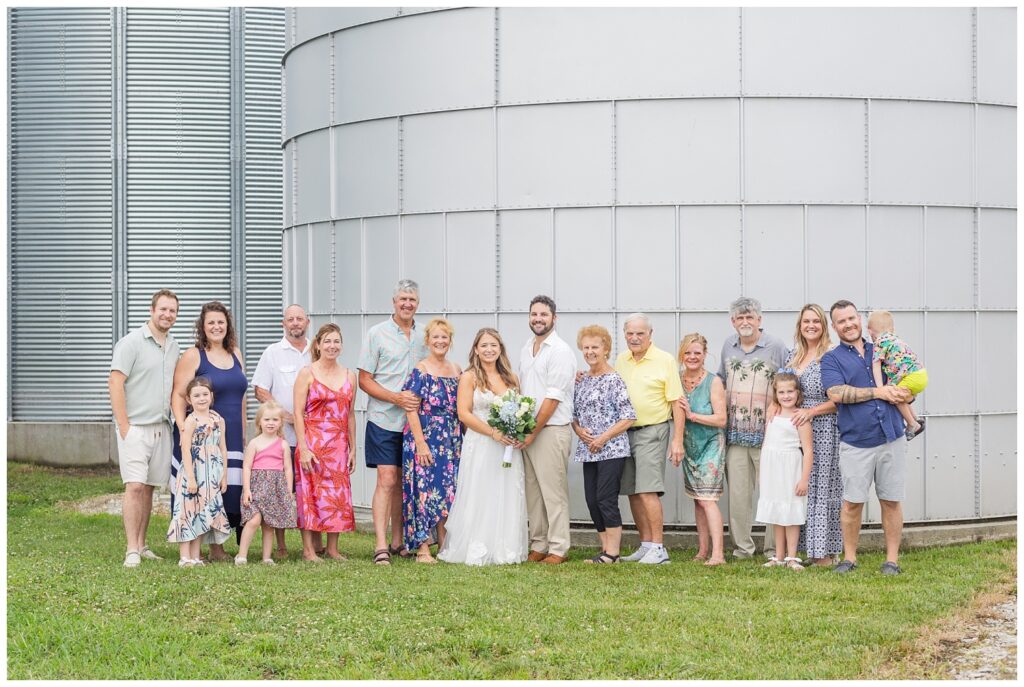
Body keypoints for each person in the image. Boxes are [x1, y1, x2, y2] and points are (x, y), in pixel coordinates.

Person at [821, 300, 912, 576]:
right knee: (852, 503)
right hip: (856, 441)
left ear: (859, 319)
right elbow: (835, 393)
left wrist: (906, 393)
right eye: (841, 321)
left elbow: (904, 376)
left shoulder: (883, 346)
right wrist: (878, 393)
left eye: (852, 318)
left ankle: (892, 561)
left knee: (891, 500)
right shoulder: (832, 358)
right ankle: (849, 559)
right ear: (834, 327)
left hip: (891, 436)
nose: (848, 324)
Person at [438, 328, 528, 566]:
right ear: (476, 350)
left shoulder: (512, 378)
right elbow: (464, 414)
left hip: (507, 446)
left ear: (500, 349)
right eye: (484, 346)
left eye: (494, 345)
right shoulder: (469, 377)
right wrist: (492, 433)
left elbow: (519, 410)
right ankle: (477, 545)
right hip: (481, 443)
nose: (489, 350)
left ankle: (505, 547)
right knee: (481, 491)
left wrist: (518, 432)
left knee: (505, 491)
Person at [108, 289, 181, 567]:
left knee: (150, 488)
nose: (167, 315)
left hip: (162, 427)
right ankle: (131, 550)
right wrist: (124, 425)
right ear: (152, 310)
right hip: (135, 427)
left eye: (172, 311)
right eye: (163, 309)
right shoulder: (131, 342)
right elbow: (115, 382)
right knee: (135, 486)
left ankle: (142, 543)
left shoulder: (173, 346)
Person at [170, 301, 248, 561]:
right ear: (203, 327)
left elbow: (242, 396)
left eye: (221, 322)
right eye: (211, 322)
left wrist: (244, 432)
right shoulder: (194, 355)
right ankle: (195, 549)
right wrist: (183, 428)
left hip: (230, 434)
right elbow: (179, 395)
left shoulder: (235, 352)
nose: (217, 327)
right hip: (200, 438)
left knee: (226, 491)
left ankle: (218, 547)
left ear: (228, 326)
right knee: (200, 490)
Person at [358, 279, 428, 564]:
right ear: (394, 302)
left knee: (403, 482)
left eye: (412, 299)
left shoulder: (426, 335)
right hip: (384, 419)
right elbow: (364, 379)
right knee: (386, 478)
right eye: (402, 299)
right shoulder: (377, 334)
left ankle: (399, 541)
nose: (407, 304)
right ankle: (380, 543)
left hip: (415, 424)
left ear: (418, 303)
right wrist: (394, 398)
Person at [717, 296, 788, 560]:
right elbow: (721, 382)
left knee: (771, 492)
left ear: (760, 320)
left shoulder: (775, 346)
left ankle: (773, 548)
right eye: (740, 318)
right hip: (735, 434)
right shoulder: (728, 345)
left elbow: (788, 380)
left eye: (750, 317)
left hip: (768, 434)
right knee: (738, 496)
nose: (745, 322)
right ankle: (743, 548)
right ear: (733, 321)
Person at [614, 313, 685, 565]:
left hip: (652, 431)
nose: (634, 338)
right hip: (626, 433)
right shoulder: (621, 360)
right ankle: (645, 545)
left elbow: (677, 402)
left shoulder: (665, 360)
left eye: (640, 333)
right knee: (633, 491)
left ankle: (658, 547)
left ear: (650, 334)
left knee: (648, 490)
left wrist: (677, 440)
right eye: (630, 333)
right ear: (624, 334)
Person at [518, 296, 577, 565]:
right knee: (533, 490)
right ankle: (539, 543)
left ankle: (558, 547)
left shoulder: (560, 350)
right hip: (528, 430)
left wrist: (533, 430)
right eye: (534, 314)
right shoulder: (527, 347)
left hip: (550, 430)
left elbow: (553, 398)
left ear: (555, 318)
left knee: (553, 492)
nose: (538, 319)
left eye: (543, 314)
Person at [400, 318, 463, 564]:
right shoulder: (421, 370)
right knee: (422, 491)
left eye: (444, 337)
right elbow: (410, 408)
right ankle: (423, 548)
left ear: (450, 341)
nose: (440, 341)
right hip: (424, 436)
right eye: (435, 337)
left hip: (450, 438)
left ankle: (445, 546)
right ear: (427, 341)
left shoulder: (457, 370)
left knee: (447, 492)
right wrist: (421, 442)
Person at [252, 303, 313, 558]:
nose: (295, 323)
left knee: (309, 489)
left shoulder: (316, 351)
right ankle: (281, 546)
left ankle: (313, 544)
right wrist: (284, 416)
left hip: (313, 437)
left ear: (307, 322)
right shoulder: (273, 352)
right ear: (283, 324)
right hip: (283, 437)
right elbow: (260, 389)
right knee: (281, 488)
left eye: (300, 318)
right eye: (291, 319)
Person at [572, 325, 636, 564]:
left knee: (605, 498)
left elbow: (629, 416)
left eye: (595, 347)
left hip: (611, 449)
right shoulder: (582, 380)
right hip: (589, 450)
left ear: (606, 349)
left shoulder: (614, 379)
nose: (590, 352)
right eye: (586, 347)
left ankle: (613, 552)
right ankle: (605, 549)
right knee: (591, 499)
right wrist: (579, 431)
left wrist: (602, 438)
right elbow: (574, 416)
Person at [294, 323, 357, 562]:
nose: (332, 346)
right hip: (312, 442)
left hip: (339, 444)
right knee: (310, 493)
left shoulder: (350, 375)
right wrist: (303, 448)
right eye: (327, 341)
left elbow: (350, 415)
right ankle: (309, 550)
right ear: (318, 345)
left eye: (336, 341)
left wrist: (352, 449)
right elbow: (298, 413)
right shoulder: (307, 373)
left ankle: (332, 548)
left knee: (337, 495)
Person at [785, 304, 842, 566]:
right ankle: (807, 549)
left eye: (816, 322)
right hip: (795, 430)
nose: (811, 326)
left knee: (822, 488)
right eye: (806, 321)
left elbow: (841, 398)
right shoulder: (793, 357)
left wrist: (812, 411)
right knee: (801, 487)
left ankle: (825, 553)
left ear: (824, 326)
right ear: (800, 325)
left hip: (825, 427)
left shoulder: (832, 355)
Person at [675, 333, 728, 566]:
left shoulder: (713, 382)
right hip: (689, 445)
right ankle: (702, 550)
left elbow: (721, 419)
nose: (692, 357)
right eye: (688, 352)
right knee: (697, 499)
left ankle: (718, 554)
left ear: (705, 355)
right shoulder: (676, 379)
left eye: (697, 352)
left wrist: (692, 415)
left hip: (711, 445)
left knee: (708, 499)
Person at [166, 377, 230, 567]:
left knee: (203, 512)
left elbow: (223, 448)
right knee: (188, 511)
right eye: (196, 395)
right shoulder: (191, 420)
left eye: (204, 394)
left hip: (211, 473)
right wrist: (191, 479)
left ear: (211, 396)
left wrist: (223, 475)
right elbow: (185, 450)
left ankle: (195, 556)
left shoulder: (218, 419)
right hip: (193, 472)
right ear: (189, 399)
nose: (201, 399)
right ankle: (184, 556)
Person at [755, 371, 814, 572]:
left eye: (790, 391)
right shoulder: (772, 414)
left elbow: (808, 451)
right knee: (777, 512)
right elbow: (765, 445)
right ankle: (778, 556)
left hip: (791, 467)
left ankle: (792, 556)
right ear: (776, 394)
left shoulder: (800, 418)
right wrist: (762, 473)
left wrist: (804, 479)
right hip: (772, 467)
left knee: (791, 511)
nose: (786, 396)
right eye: (782, 392)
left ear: (798, 393)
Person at [236, 400, 297, 566]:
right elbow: (247, 467)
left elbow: (287, 469)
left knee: (269, 524)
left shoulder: (283, 444)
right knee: (254, 520)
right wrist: (247, 489)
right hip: (256, 487)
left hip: (275, 489)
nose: (271, 423)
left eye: (275, 420)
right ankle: (241, 555)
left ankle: (266, 557)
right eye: (267, 419)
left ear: (280, 423)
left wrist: (288, 489)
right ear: (259, 422)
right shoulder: (254, 443)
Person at [867, 310, 928, 440]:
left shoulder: (879, 342)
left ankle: (912, 425)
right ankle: (916, 419)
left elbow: (876, 365)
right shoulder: (895, 339)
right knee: (902, 397)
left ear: (870, 331)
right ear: (892, 329)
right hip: (921, 374)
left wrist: (880, 388)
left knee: (893, 396)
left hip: (912, 376)